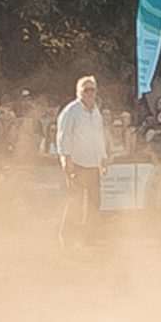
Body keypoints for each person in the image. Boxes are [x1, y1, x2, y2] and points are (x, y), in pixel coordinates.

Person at [54, 73, 108, 244]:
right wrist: (66, 160)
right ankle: (66, 236)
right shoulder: (71, 111)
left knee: (94, 202)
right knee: (75, 201)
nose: (90, 93)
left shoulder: (96, 112)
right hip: (76, 164)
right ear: (79, 92)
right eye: (86, 90)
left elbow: (99, 136)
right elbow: (63, 137)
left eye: (93, 90)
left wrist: (103, 157)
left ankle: (89, 237)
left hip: (93, 164)